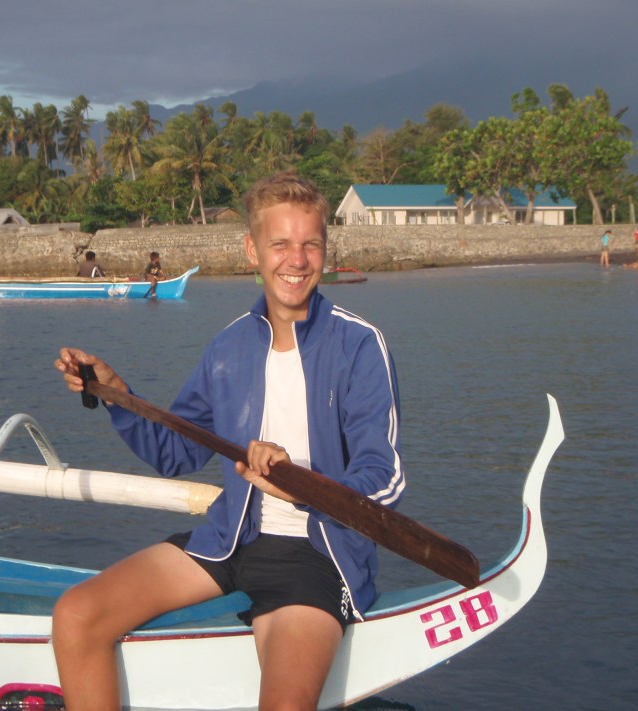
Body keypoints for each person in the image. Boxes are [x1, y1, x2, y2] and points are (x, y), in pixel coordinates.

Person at [52, 172, 404, 711]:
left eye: (310, 244)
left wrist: (300, 485)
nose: (296, 260)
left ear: (326, 250)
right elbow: (176, 452)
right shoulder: (229, 347)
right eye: (280, 244)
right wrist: (116, 393)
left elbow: (383, 478)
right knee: (76, 615)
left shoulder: (359, 345)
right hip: (229, 540)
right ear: (252, 250)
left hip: (318, 557)